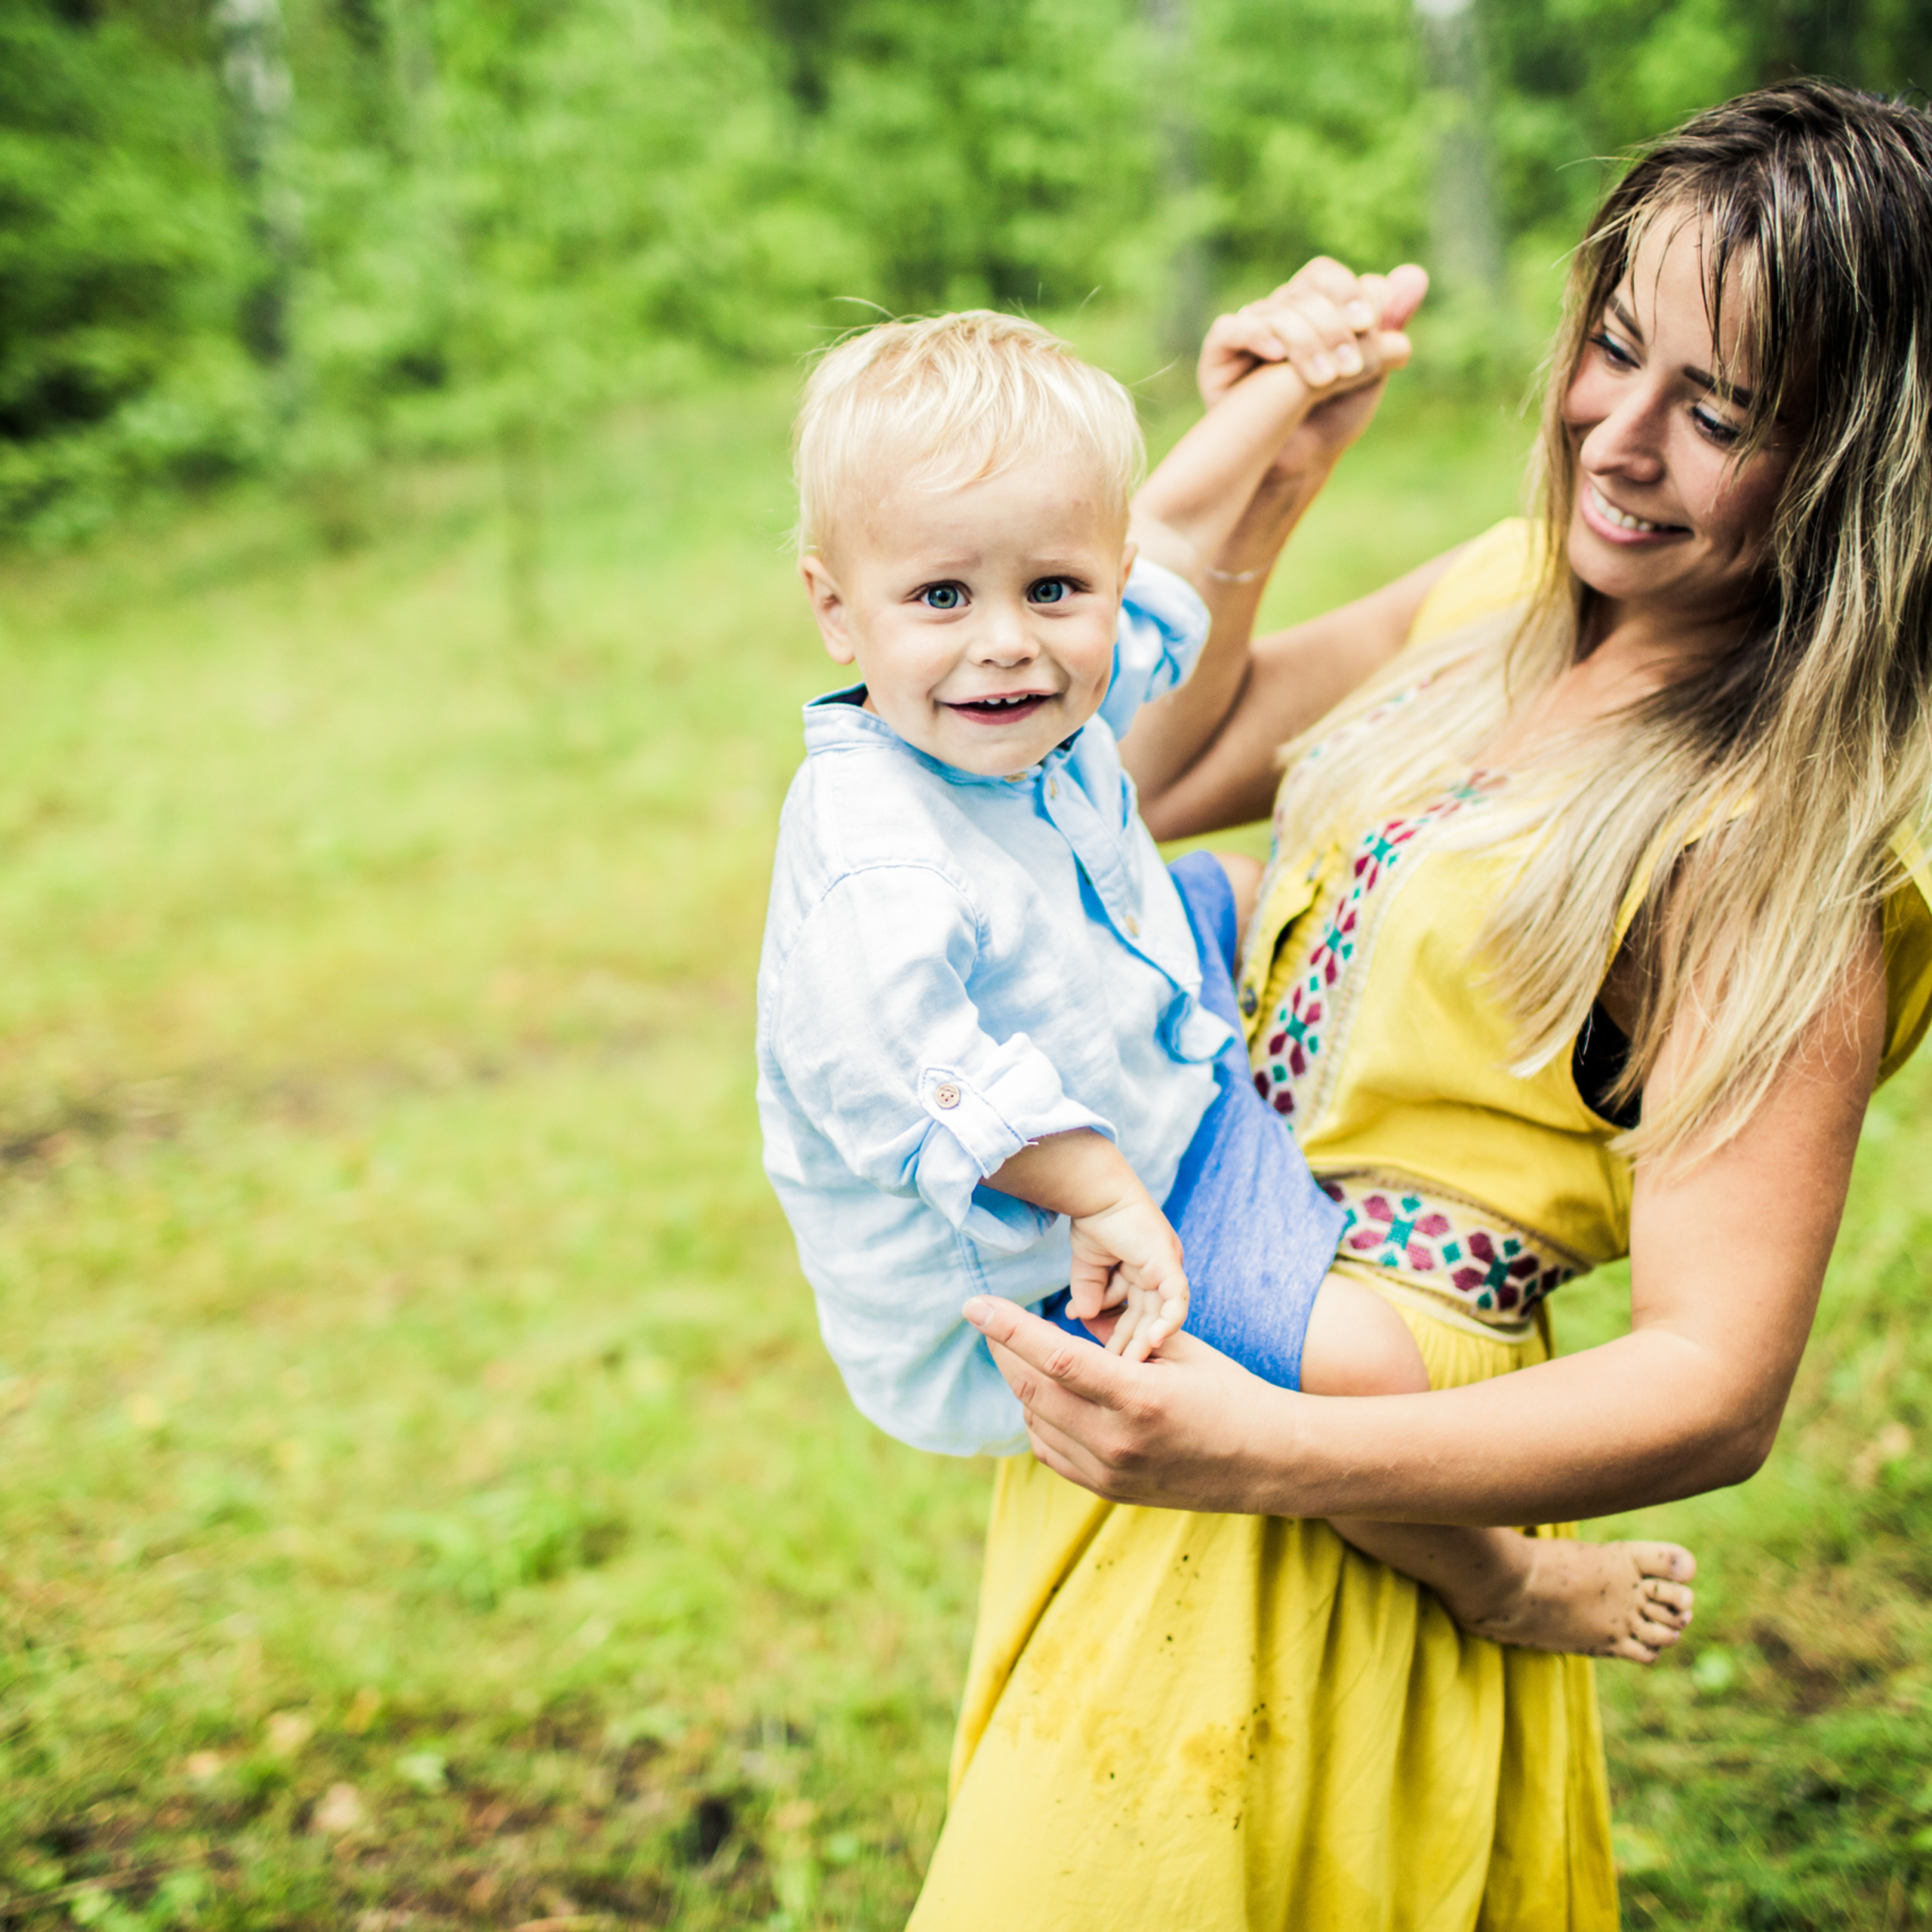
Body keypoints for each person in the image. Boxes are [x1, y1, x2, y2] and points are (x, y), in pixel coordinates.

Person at [909, 80, 1932, 1930]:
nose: (1615, 437)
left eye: (1717, 412)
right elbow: (1154, 767)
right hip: (1191, 1310)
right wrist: (1273, 467)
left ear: (1859, 465)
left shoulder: (1770, 836)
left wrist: (1258, 1454)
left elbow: (1713, 1381)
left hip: (1369, 1435)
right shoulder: (1507, 591)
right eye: (1610, 348)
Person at [756, 307, 1690, 1652]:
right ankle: (1500, 1583)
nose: (1008, 640)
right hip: (1049, 1226)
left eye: (1054, 589)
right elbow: (923, 1082)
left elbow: (1171, 534)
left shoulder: (1017, 686)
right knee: (1365, 1368)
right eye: (943, 598)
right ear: (836, 610)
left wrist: (1288, 391)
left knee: (1242, 891)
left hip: (1122, 1029)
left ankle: (1274, 1114)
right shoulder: (875, 864)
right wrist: (1103, 1191)